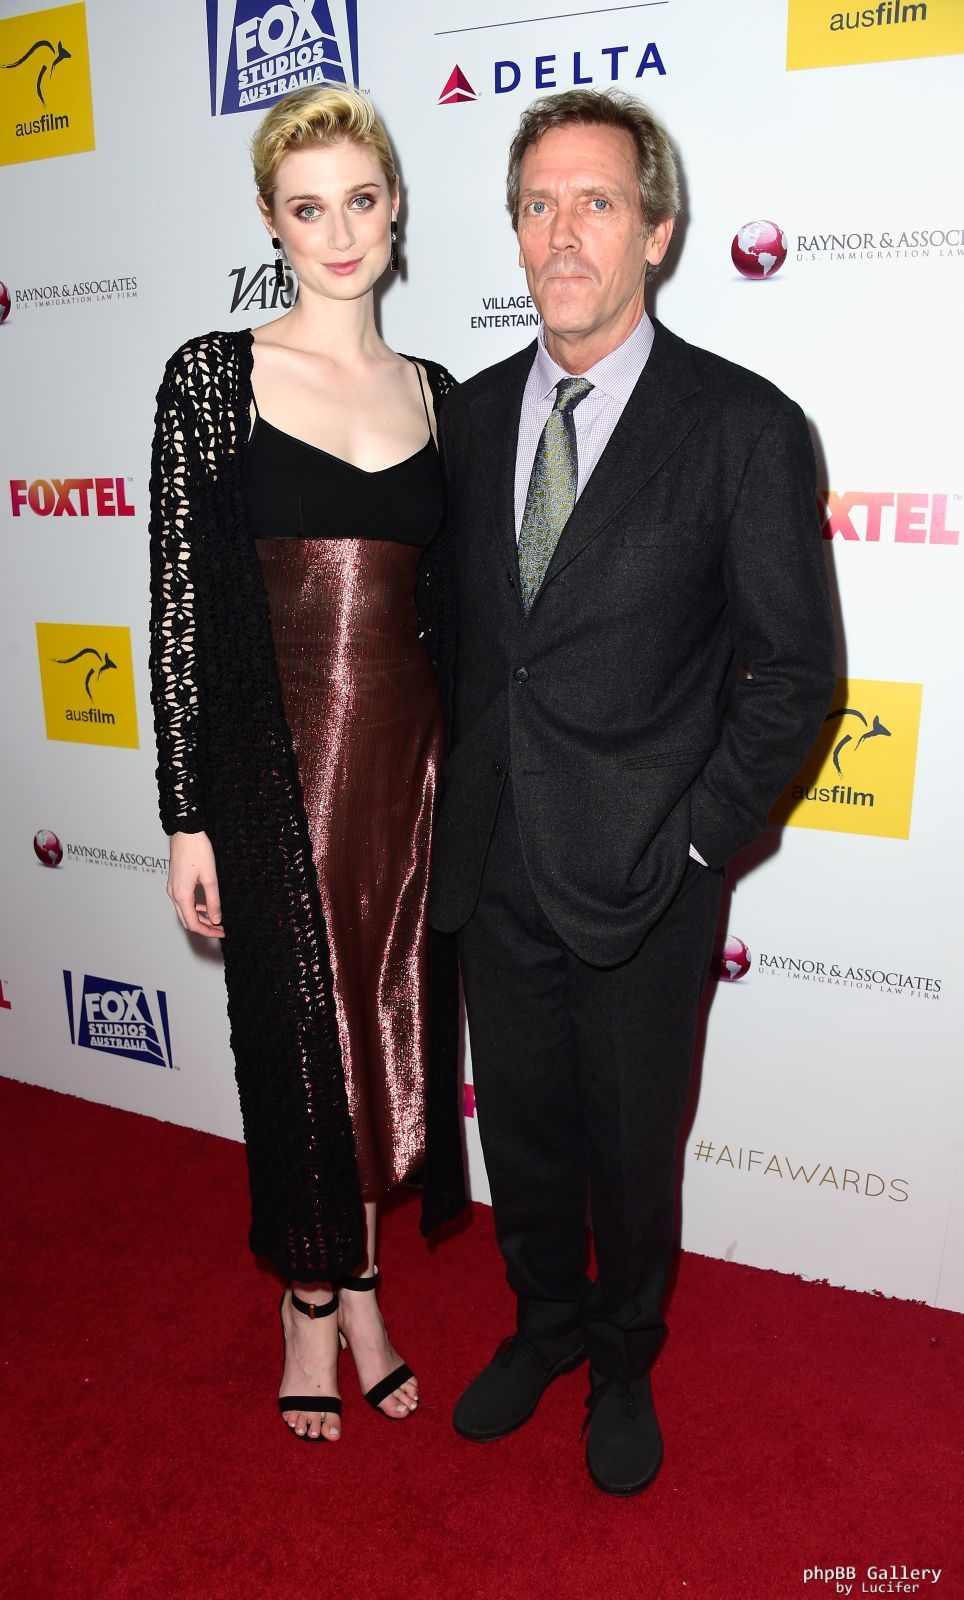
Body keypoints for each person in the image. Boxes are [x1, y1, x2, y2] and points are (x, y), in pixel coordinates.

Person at [430, 89, 836, 1495]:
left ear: (656, 233)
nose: (563, 233)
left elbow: (795, 674)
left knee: (629, 1143)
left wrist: (700, 848)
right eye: (538, 204)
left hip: (650, 874)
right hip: (495, 860)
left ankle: (621, 1357)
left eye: (596, 202)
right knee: (525, 1128)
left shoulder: (745, 426)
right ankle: (543, 1322)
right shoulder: (467, 418)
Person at [149, 86, 464, 1445]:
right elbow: (177, 614)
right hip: (270, 779)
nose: (339, 233)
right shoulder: (211, 379)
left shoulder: (441, 396)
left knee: (386, 1050)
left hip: (412, 783)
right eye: (307, 207)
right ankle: (310, 1302)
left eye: (361, 201)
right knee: (299, 1049)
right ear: (272, 223)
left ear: (394, 210)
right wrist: (187, 816)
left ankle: (368, 1292)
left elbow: (458, 614)